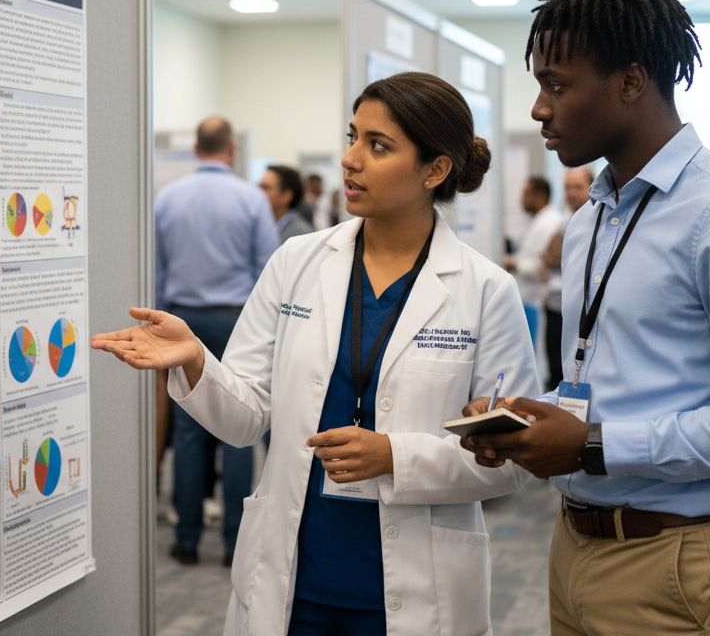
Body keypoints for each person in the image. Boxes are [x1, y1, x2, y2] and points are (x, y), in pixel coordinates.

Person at [95, 72, 537, 635]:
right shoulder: (296, 262)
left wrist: (394, 456)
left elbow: (511, 460)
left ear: (435, 169)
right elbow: (247, 417)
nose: (350, 159)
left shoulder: (484, 289)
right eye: (352, 137)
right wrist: (196, 361)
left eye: (378, 146)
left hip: (416, 590)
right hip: (294, 578)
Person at [462, 0, 710, 635]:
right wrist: (536, 424)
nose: (539, 108)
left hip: (684, 560)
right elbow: (618, 371)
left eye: (556, 86)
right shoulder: (591, 217)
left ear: (630, 82)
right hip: (576, 547)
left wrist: (596, 443)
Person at [155, 116, 280, 566]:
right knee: (239, 432)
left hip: (181, 320)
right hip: (236, 321)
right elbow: (269, 268)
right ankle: (233, 545)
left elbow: (158, 270)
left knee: (188, 431)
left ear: (196, 150)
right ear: (231, 149)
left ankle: (186, 540)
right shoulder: (251, 199)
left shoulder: (166, 199)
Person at [540, 167, 594, 391]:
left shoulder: (599, 219)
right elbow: (546, 258)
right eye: (567, 187)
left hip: (585, 312)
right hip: (555, 305)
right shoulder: (563, 221)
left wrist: (554, 255)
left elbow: (554, 257)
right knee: (556, 370)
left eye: (578, 187)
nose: (571, 193)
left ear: (592, 187)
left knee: (580, 371)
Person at [505, 177, 563, 346]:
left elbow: (543, 266)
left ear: (540, 195)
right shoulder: (537, 221)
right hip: (527, 300)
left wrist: (514, 264)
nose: (522, 200)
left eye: (526, 194)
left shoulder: (551, 222)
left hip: (537, 301)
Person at [260, 164, 316, 244]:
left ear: (287, 196)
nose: (258, 193)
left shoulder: (302, 235)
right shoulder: (265, 226)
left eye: (266, 188)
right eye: (259, 187)